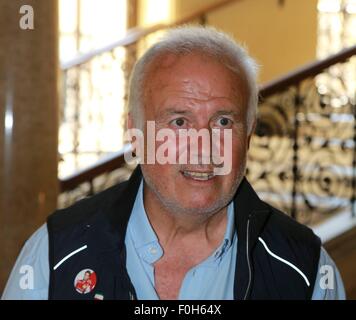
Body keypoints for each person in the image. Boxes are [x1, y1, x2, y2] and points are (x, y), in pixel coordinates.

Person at [2, 26, 345, 300]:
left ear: (249, 135)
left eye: (224, 122)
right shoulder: (55, 254)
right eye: (179, 122)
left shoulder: (306, 272)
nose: (204, 147)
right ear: (135, 133)